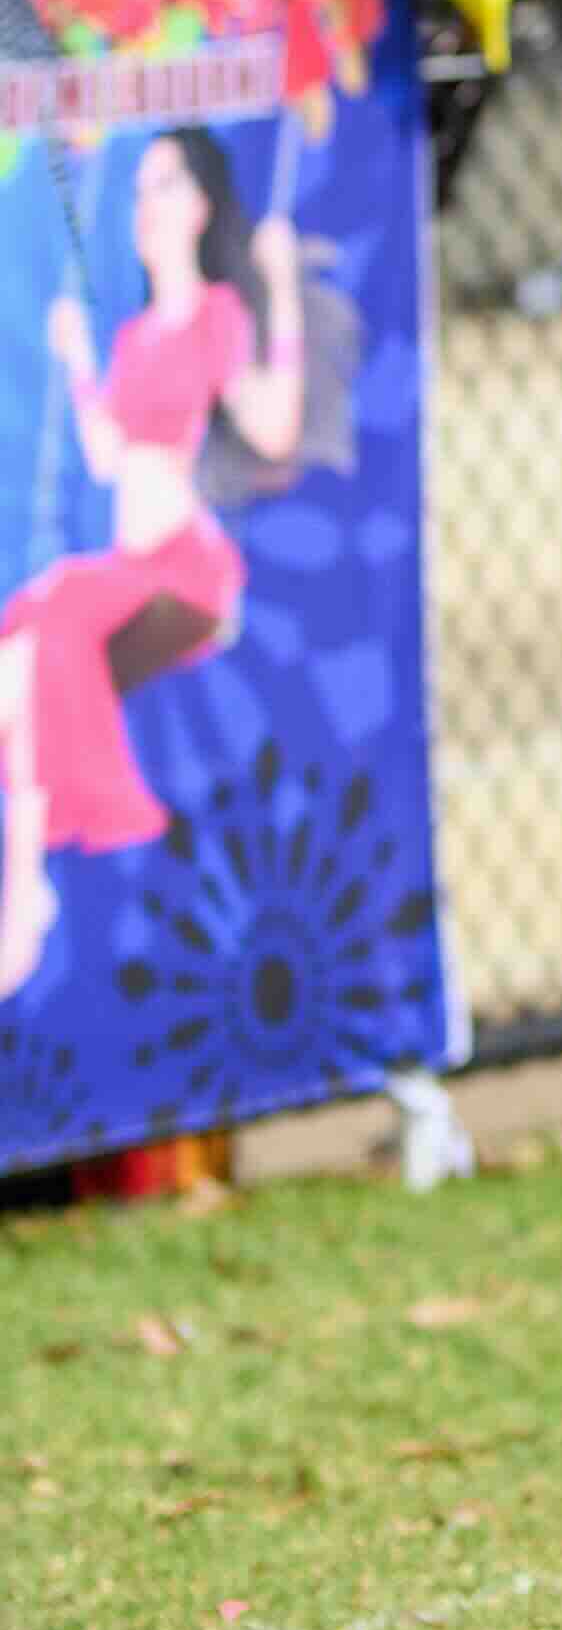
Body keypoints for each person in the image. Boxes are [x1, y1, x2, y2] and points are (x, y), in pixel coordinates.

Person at [0, 127, 305, 992]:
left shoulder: (216, 315)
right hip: (128, 566)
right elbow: (108, 456)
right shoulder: (134, 335)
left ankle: (31, 884)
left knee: (51, 619)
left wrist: (281, 290)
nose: (145, 205)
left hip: (182, 569)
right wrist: (78, 363)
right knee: (17, 661)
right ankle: (25, 884)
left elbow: (272, 427)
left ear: (200, 206)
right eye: (139, 189)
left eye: (164, 185)